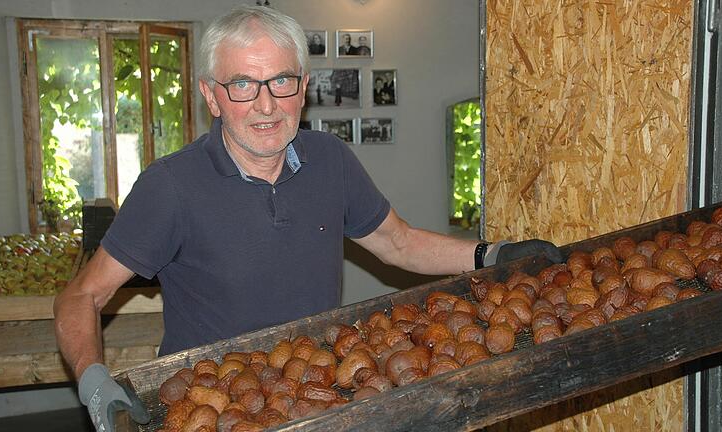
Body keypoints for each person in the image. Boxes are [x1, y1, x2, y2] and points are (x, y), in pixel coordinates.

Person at [54, 6, 563, 431]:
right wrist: (93, 379)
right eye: (243, 86)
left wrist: (491, 254)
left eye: (281, 82)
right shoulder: (170, 187)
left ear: (304, 88)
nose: (266, 105)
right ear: (212, 95)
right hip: (212, 406)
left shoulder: (331, 160)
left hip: (317, 397)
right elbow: (83, 295)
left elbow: (398, 243)